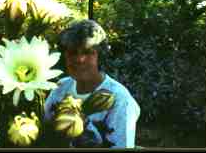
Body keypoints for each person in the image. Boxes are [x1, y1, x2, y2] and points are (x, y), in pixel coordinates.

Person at [44, 19, 140, 148]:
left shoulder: (120, 99)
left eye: (88, 52)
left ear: (100, 55)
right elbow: (44, 131)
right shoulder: (60, 88)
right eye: (73, 52)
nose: (79, 59)